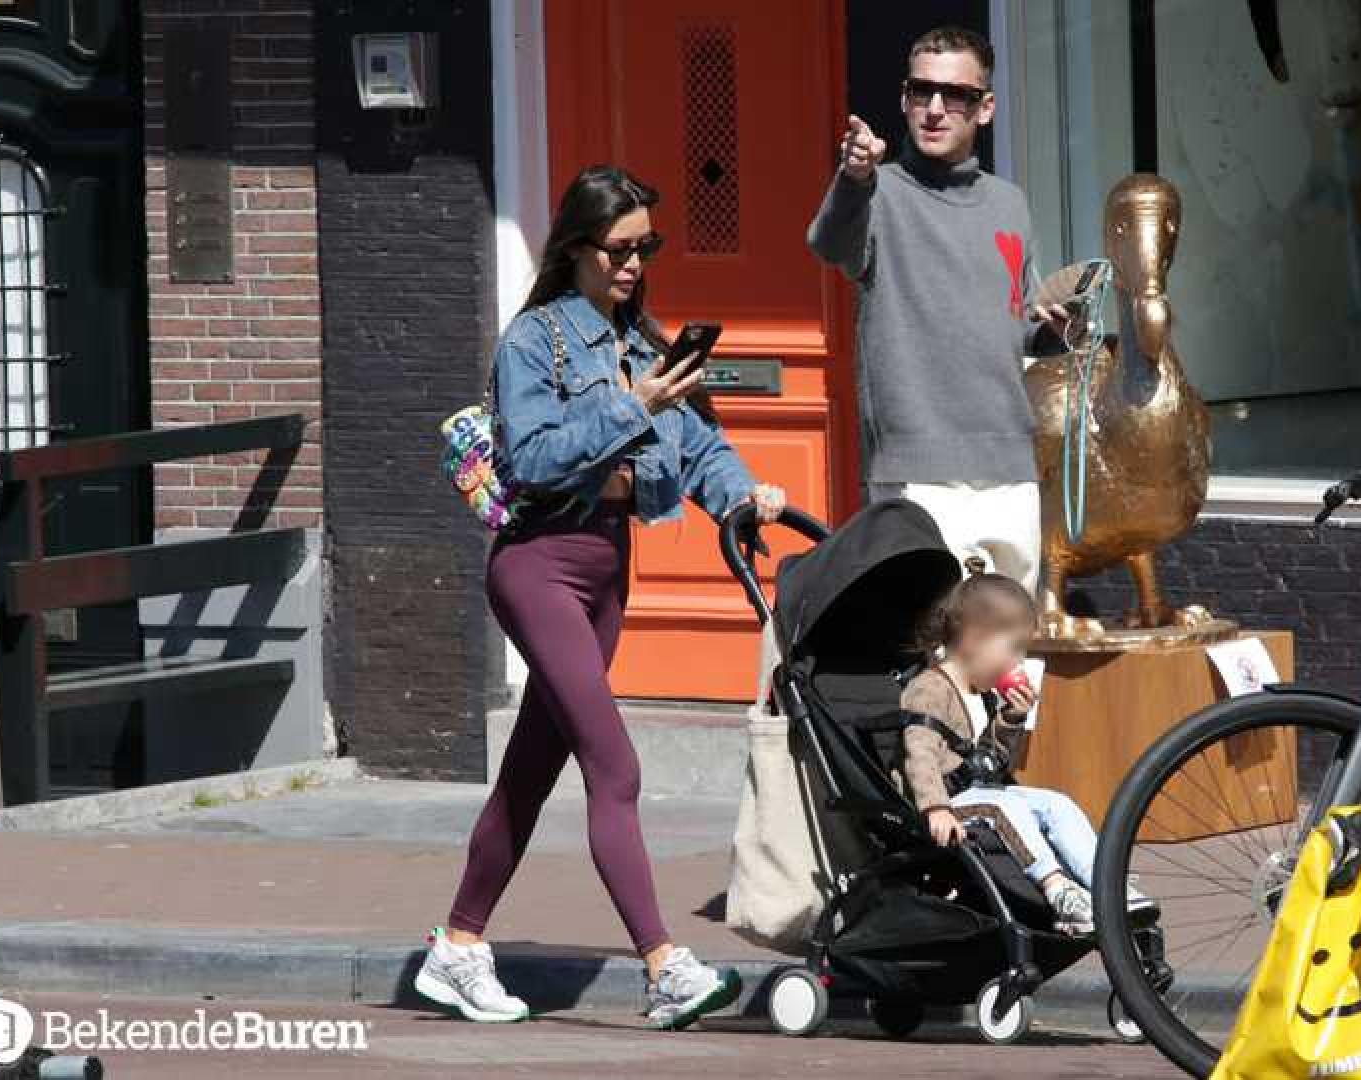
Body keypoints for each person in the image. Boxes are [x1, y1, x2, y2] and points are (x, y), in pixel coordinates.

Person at [419, 165, 785, 1030]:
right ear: (578, 247)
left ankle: (459, 945)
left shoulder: (646, 344)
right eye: (620, 249)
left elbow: (697, 448)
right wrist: (632, 405)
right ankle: (664, 967)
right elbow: (535, 460)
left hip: (605, 567)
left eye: (645, 247)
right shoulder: (534, 342)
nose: (634, 264)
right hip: (538, 561)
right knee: (614, 765)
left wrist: (743, 493)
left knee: (530, 775)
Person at [806, 26, 1070, 591]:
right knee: (931, 652)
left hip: (1010, 469)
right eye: (920, 92)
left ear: (986, 107)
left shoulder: (1010, 203)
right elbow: (829, 244)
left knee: (1009, 658)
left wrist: (1054, 328)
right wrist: (853, 178)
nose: (934, 109)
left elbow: (1017, 325)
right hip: (917, 472)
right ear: (903, 98)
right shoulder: (880, 191)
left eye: (956, 95)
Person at [897, 559, 1150, 935]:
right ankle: (1059, 890)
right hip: (945, 804)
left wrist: (1010, 719)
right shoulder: (928, 689)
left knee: (1054, 803)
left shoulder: (979, 694)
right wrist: (935, 806)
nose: (1017, 661)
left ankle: (1109, 886)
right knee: (1005, 804)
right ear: (973, 638)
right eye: (1013, 649)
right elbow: (919, 751)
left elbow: (988, 761)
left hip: (973, 793)